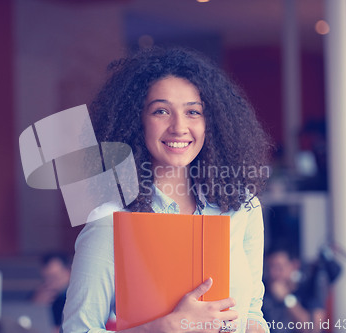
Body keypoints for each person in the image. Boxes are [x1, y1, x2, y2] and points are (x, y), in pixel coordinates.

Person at [62, 47, 272, 333]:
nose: (179, 127)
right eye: (161, 111)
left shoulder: (241, 206)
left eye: (193, 112)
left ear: (212, 123)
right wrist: (164, 327)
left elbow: (251, 312)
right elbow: (77, 329)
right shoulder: (110, 220)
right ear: (136, 121)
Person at [262, 248, 326, 333]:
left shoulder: (308, 290)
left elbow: (313, 329)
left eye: (279, 267)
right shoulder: (262, 292)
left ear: (294, 265)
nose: (273, 273)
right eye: (270, 267)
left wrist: (287, 298)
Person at [33, 253, 71, 333]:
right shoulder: (40, 294)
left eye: (55, 277)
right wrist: (37, 306)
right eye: (46, 278)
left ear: (68, 273)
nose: (50, 282)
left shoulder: (75, 297)